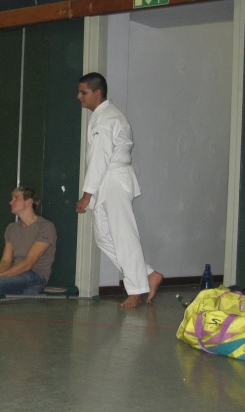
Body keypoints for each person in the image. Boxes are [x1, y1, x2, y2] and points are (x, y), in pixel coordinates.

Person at [75, 72, 164, 309]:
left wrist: (87, 194)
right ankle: (147, 274)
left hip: (113, 179)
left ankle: (135, 290)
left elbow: (100, 157)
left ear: (97, 92)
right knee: (103, 237)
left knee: (124, 236)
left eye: (83, 92)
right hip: (107, 180)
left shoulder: (108, 118)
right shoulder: (102, 116)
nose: (79, 97)